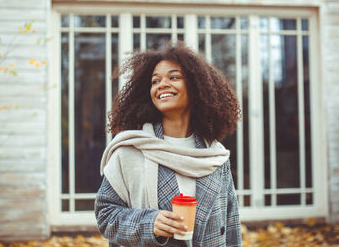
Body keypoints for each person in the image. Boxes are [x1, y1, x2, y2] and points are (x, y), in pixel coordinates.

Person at [95, 41, 242, 247]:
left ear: (196, 87)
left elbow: (231, 225)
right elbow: (105, 214)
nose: (162, 85)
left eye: (174, 77)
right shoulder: (130, 151)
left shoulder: (215, 157)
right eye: (155, 81)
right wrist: (149, 223)